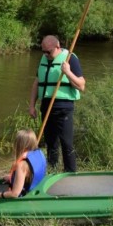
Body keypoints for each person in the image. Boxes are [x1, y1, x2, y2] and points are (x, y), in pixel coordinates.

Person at [29, 35, 85, 172]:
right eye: (43, 51)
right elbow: (37, 83)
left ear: (58, 47)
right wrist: (31, 105)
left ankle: (70, 173)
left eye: (49, 52)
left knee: (66, 143)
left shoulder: (70, 58)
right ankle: (52, 169)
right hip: (46, 105)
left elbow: (81, 86)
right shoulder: (44, 58)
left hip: (63, 108)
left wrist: (67, 72)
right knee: (50, 142)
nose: (46, 54)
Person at [0, 129, 46, 203]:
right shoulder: (39, 153)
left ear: (20, 145)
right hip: (37, 187)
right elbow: (29, 174)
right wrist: (13, 177)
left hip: (24, 196)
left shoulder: (22, 165)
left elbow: (15, 194)